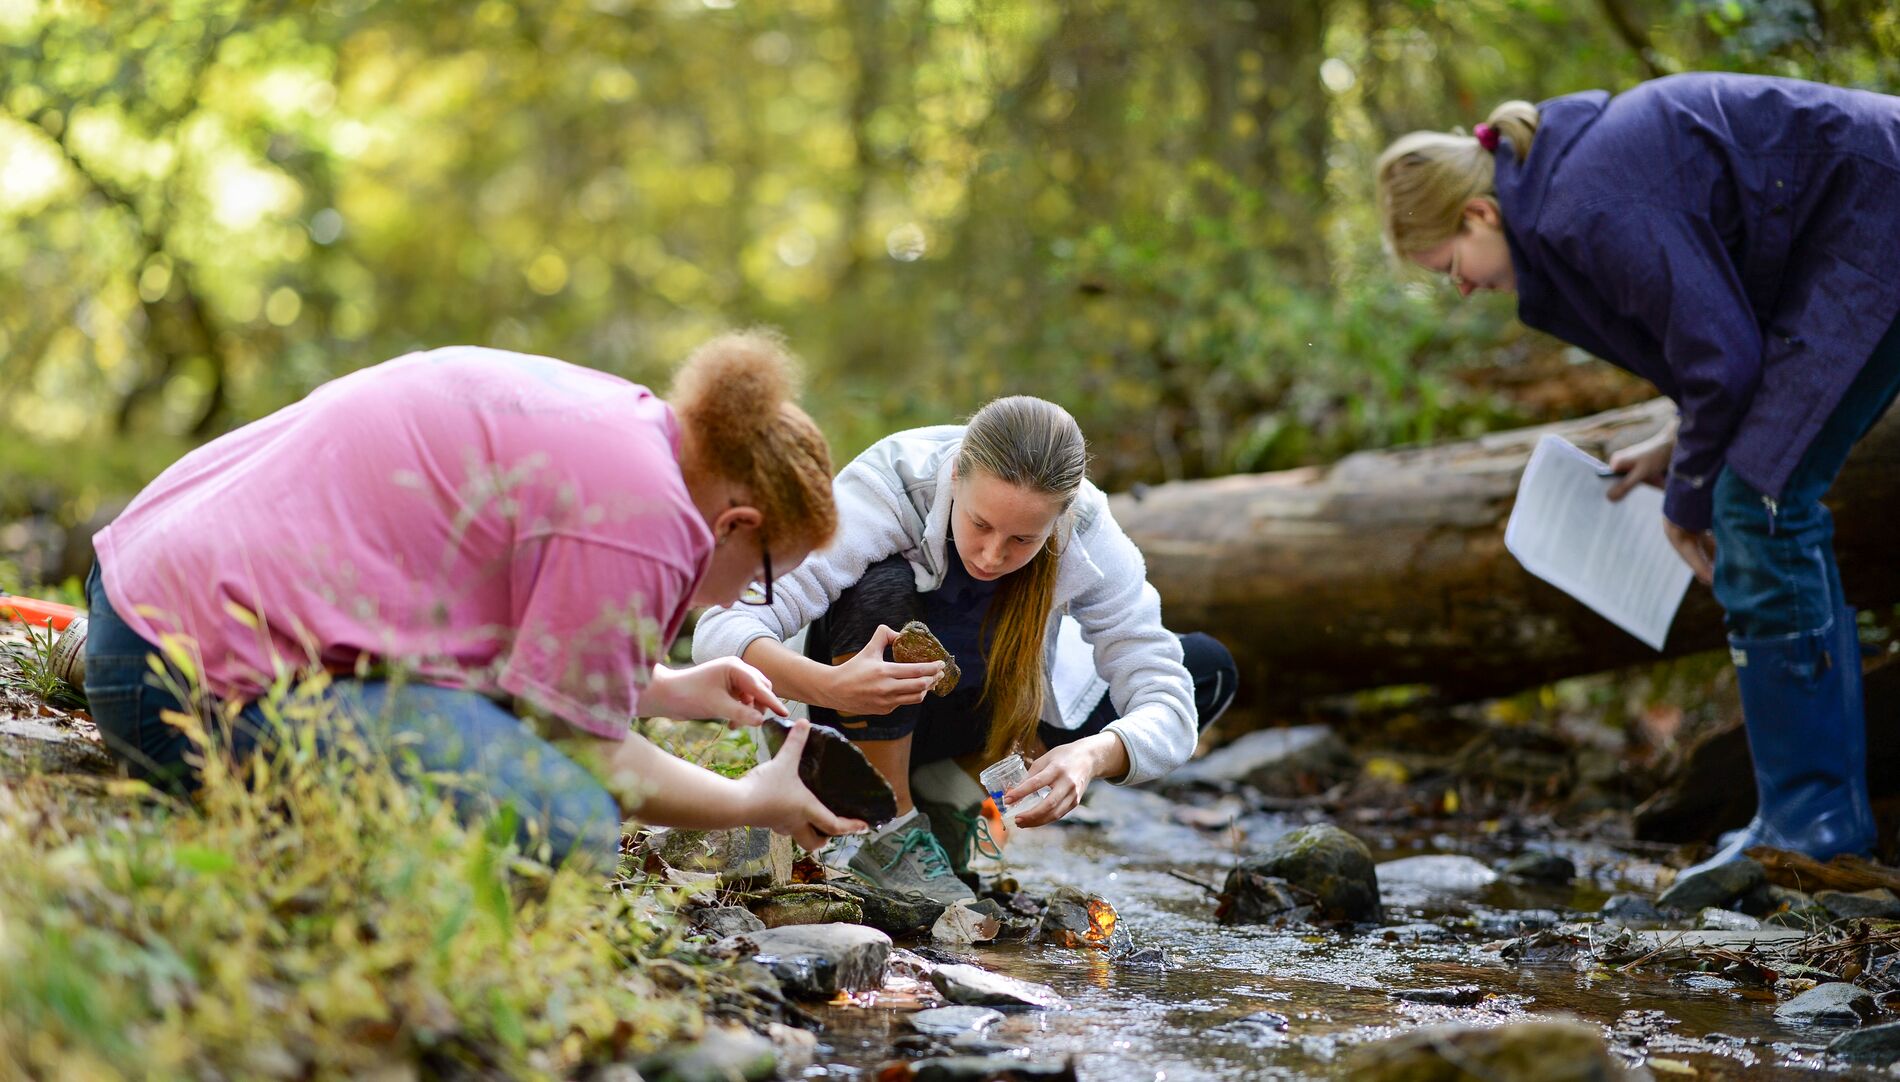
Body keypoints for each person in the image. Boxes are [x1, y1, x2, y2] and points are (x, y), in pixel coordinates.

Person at [1375, 72, 1900, 878]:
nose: (1463, 286)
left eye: (1450, 264)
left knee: (1759, 505)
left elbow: (1724, 363)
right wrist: (1674, 442)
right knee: (1754, 493)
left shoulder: (1584, 200)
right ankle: (1799, 817)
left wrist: (1686, 498)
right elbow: (1714, 340)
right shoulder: (1565, 192)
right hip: (1853, 231)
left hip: (1877, 216)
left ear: (1479, 214)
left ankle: (1813, 825)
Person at [84, 331, 865, 870]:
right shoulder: (649, 520)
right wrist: (750, 800)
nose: (748, 597)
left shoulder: (619, 424)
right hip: (174, 685)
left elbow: (489, 616)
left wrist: (665, 690)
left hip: (137, 594)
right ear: (736, 525)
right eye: (764, 576)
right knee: (570, 822)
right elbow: (586, 750)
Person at [693, 396, 1238, 903]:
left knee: (1205, 667)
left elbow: (1168, 701)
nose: (993, 554)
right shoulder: (891, 482)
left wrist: (1092, 755)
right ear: (956, 477)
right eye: (980, 524)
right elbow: (719, 628)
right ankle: (888, 823)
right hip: (849, 717)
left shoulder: (1088, 529)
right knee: (880, 583)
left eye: (1023, 539)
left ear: (1060, 516)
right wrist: (829, 685)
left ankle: (949, 798)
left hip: (977, 720)